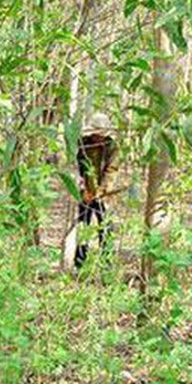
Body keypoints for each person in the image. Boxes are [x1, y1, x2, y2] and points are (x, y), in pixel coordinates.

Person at [76, 112, 118, 268]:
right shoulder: (82, 143)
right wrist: (83, 188)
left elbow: (111, 170)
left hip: (103, 195)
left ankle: (106, 263)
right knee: (83, 226)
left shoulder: (112, 147)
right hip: (84, 193)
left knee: (105, 227)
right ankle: (79, 262)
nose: (97, 138)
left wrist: (101, 191)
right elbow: (77, 166)